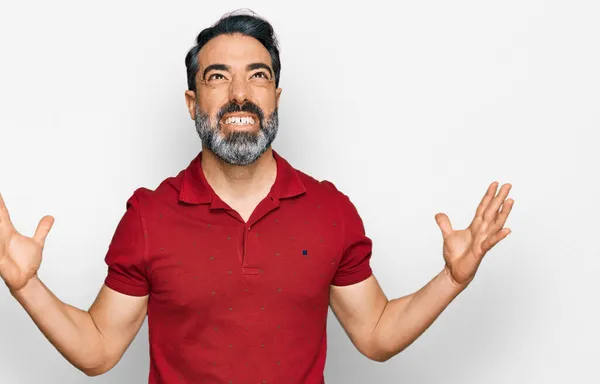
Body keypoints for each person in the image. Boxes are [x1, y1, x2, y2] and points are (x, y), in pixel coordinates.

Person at [0, 9, 514, 384]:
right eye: (217, 77)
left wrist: (452, 278)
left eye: (258, 76)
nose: (238, 93)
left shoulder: (330, 211)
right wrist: (25, 286)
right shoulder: (149, 216)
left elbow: (376, 334)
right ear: (192, 101)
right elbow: (99, 349)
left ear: (275, 97)